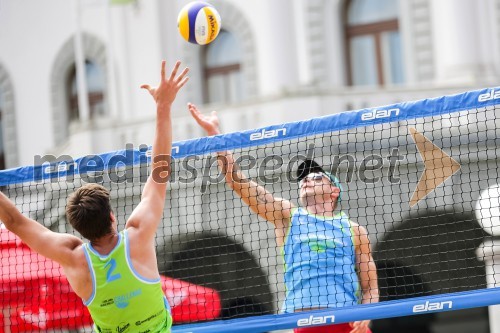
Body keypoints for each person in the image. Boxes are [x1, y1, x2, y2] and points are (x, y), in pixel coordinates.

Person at [0, 60, 189, 333]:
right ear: (112, 216)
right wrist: (163, 107)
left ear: (77, 230)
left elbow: (15, 222)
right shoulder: (138, 236)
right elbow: (160, 171)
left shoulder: (74, 258)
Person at [188, 103, 379, 333]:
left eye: (317, 177)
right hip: (304, 321)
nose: (307, 180)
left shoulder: (354, 230)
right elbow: (238, 182)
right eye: (303, 180)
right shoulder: (288, 216)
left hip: (348, 322)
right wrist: (215, 136)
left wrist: (367, 314)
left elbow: (371, 288)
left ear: (334, 190)